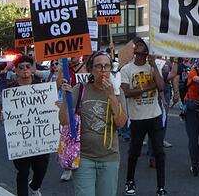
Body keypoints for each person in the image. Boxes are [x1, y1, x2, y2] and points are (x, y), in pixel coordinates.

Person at [59, 50, 127, 196]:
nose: (103, 70)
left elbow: (121, 123)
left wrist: (111, 95)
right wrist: (66, 98)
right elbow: (64, 121)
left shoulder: (117, 92)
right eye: (98, 66)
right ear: (90, 69)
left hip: (110, 157)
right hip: (84, 157)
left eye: (107, 66)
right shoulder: (81, 89)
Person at [120, 38, 167, 196]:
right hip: (137, 118)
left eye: (141, 46)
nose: (137, 48)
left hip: (154, 116)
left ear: (146, 52)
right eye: (137, 46)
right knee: (134, 152)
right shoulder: (127, 69)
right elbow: (127, 92)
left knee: (159, 152)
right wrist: (148, 87)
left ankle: (161, 187)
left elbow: (161, 87)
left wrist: (154, 65)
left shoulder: (152, 67)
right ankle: (130, 181)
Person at [8, 55, 51, 196]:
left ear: (33, 68)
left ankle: (34, 186)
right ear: (16, 70)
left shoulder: (42, 88)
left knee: (41, 168)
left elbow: (49, 108)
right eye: (21, 67)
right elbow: (9, 113)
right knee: (23, 171)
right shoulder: (10, 91)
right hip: (20, 140)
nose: (25, 69)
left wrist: (54, 106)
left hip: (40, 138)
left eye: (28, 66)